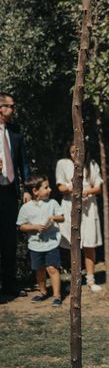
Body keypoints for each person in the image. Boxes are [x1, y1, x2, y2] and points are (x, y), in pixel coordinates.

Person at [56, 141, 104, 291]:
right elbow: (61, 187)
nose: (75, 155)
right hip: (70, 206)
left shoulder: (91, 164)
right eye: (72, 152)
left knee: (89, 243)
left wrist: (88, 191)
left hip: (89, 208)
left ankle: (90, 280)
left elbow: (98, 187)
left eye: (78, 151)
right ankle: (75, 279)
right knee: (73, 244)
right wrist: (72, 189)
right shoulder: (63, 164)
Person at [16, 175, 64, 307]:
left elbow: (62, 217)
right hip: (36, 244)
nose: (50, 190)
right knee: (40, 270)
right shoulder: (26, 208)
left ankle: (57, 295)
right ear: (35, 191)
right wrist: (35, 227)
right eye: (46, 187)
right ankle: (43, 292)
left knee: (52, 268)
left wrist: (53, 218)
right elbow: (21, 226)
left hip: (51, 243)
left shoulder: (52, 203)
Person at [0, 92, 30, 300]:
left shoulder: (15, 131)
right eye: (10, 106)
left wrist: (27, 188)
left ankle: (8, 286)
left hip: (9, 191)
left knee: (9, 241)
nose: (13, 110)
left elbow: (23, 162)